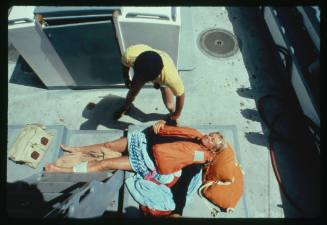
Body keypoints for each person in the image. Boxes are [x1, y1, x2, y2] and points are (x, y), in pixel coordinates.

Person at [44, 120, 228, 217]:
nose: (211, 137)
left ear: (212, 149)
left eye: (215, 140)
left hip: (146, 161)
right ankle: (76, 149)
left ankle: (61, 171)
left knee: (105, 164)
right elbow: (171, 127)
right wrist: (162, 123)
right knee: (107, 145)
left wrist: (178, 211)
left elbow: (184, 184)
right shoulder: (195, 135)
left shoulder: (196, 161)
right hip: (142, 140)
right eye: (213, 134)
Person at [114, 44, 185, 124]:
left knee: (169, 105)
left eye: (146, 80)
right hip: (146, 65)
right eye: (141, 78)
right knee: (132, 92)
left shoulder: (170, 77)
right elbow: (125, 64)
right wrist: (126, 78)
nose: (143, 82)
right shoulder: (129, 55)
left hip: (163, 68)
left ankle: (173, 116)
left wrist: (177, 113)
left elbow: (181, 95)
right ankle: (126, 107)